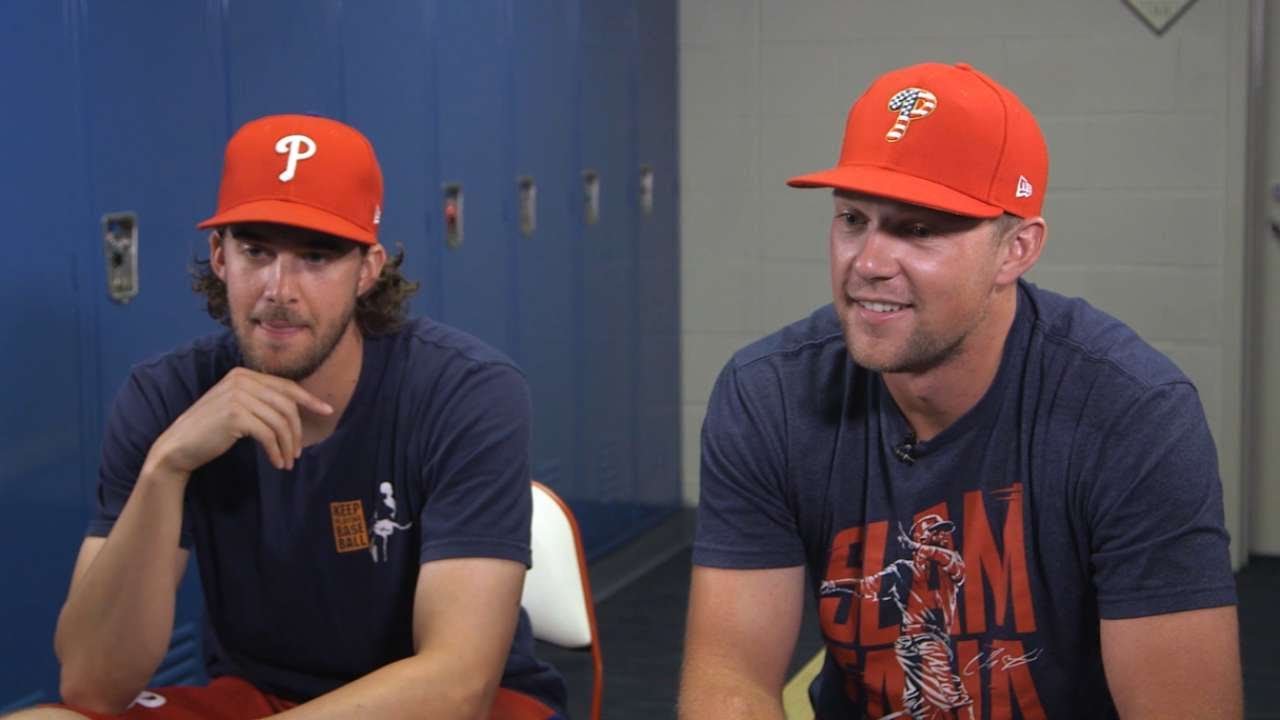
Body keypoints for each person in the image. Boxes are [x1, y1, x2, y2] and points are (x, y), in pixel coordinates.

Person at [678, 62, 1242, 719]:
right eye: (853, 219)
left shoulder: (1132, 413)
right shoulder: (769, 395)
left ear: (1016, 250)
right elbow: (729, 680)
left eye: (918, 230)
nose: (868, 263)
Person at [11, 114, 567, 720]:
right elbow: (92, 686)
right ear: (220, 259)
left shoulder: (464, 392)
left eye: (317, 256)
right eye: (256, 251)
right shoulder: (165, 396)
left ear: (369, 269)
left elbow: (456, 683)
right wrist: (165, 470)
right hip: (258, 697)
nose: (279, 288)